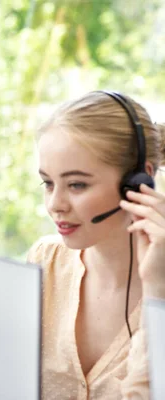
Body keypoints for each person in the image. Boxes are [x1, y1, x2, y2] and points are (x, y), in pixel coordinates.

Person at [28, 90, 165, 399]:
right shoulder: (45, 262)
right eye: (48, 183)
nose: (55, 204)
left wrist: (157, 294)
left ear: (140, 180)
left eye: (77, 184)